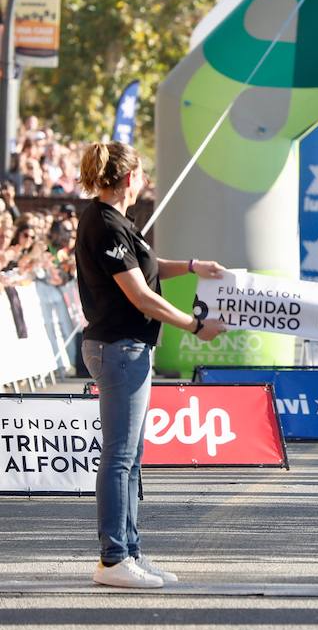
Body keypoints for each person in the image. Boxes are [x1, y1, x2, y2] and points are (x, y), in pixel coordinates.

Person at [74, 141, 227, 589]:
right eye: (140, 175)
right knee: (120, 457)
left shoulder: (117, 223)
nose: (144, 182)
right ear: (127, 179)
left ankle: (130, 551)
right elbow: (140, 296)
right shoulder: (103, 224)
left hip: (126, 348)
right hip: (118, 348)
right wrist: (195, 325)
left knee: (131, 457)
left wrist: (195, 266)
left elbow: (149, 268)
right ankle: (113, 558)